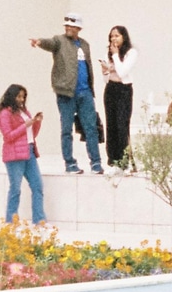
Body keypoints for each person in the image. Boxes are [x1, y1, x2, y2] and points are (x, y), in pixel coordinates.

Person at [29, 15, 104, 175]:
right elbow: (50, 43)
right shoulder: (59, 41)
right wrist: (39, 42)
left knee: (91, 128)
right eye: (67, 26)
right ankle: (70, 163)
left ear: (78, 28)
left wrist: (91, 89)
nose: (68, 28)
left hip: (86, 93)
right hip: (65, 93)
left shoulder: (85, 45)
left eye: (72, 26)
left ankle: (96, 163)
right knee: (66, 129)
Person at [0, 84, 45, 224]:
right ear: (12, 96)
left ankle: (39, 220)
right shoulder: (5, 113)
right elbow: (8, 136)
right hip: (14, 156)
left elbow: (31, 134)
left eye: (23, 97)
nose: (21, 99)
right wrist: (26, 125)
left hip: (29, 152)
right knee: (15, 189)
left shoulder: (24, 111)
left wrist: (36, 122)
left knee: (37, 186)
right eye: (19, 96)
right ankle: (11, 220)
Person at [100, 25, 137, 173]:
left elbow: (122, 72)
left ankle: (125, 162)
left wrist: (115, 55)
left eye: (117, 36)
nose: (114, 39)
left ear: (124, 37)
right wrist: (104, 71)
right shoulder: (107, 53)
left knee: (122, 125)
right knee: (111, 124)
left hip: (124, 90)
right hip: (111, 89)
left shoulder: (131, 53)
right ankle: (113, 161)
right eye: (111, 36)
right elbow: (106, 78)